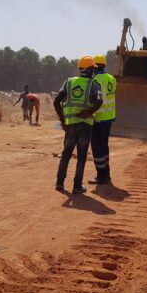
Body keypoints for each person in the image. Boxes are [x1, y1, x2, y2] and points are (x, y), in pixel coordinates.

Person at [53, 56, 103, 194]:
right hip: (85, 126)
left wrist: (63, 120)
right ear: (91, 69)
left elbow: (56, 101)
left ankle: (59, 183)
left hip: (70, 126)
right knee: (81, 157)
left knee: (66, 154)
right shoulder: (93, 84)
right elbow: (99, 100)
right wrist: (89, 112)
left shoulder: (68, 82)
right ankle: (77, 186)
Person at [90, 54, 117, 185]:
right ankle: (107, 174)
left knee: (97, 147)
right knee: (104, 145)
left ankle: (101, 177)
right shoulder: (112, 78)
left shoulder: (96, 80)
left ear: (94, 67)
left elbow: (96, 99)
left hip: (99, 118)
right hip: (110, 118)